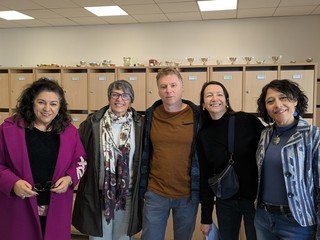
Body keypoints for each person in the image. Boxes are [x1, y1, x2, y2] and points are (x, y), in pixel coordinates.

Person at [0, 77, 87, 240]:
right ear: (31, 102)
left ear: (60, 107)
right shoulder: (7, 130)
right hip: (18, 209)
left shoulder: (69, 132)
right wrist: (13, 183)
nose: (47, 108)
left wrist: (69, 178)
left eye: (53, 104)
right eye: (41, 102)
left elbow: (81, 160)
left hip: (56, 210)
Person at [72, 80, 144, 240]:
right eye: (115, 95)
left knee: (123, 238)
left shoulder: (140, 124)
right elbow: (77, 151)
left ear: (131, 99)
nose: (120, 99)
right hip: (98, 195)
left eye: (125, 95)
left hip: (127, 195)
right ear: (109, 97)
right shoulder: (93, 123)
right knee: (98, 238)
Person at [197, 81, 264, 240]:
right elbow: (205, 177)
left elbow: (268, 150)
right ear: (203, 103)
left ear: (226, 100)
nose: (215, 98)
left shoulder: (246, 121)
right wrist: (206, 218)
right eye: (209, 95)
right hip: (225, 202)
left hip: (254, 201)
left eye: (219, 94)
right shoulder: (203, 136)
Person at [139, 67, 200, 240]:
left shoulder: (197, 115)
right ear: (158, 90)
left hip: (187, 194)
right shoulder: (151, 115)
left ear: (182, 87)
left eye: (173, 85)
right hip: (155, 193)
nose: (169, 90)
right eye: (163, 86)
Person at [255, 79, 319, 240]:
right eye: (270, 101)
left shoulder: (313, 135)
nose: (277, 104)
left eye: (283, 97)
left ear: (295, 100)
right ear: (266, 108)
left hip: (297, 222)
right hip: (263, 218)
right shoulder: (266, 134)